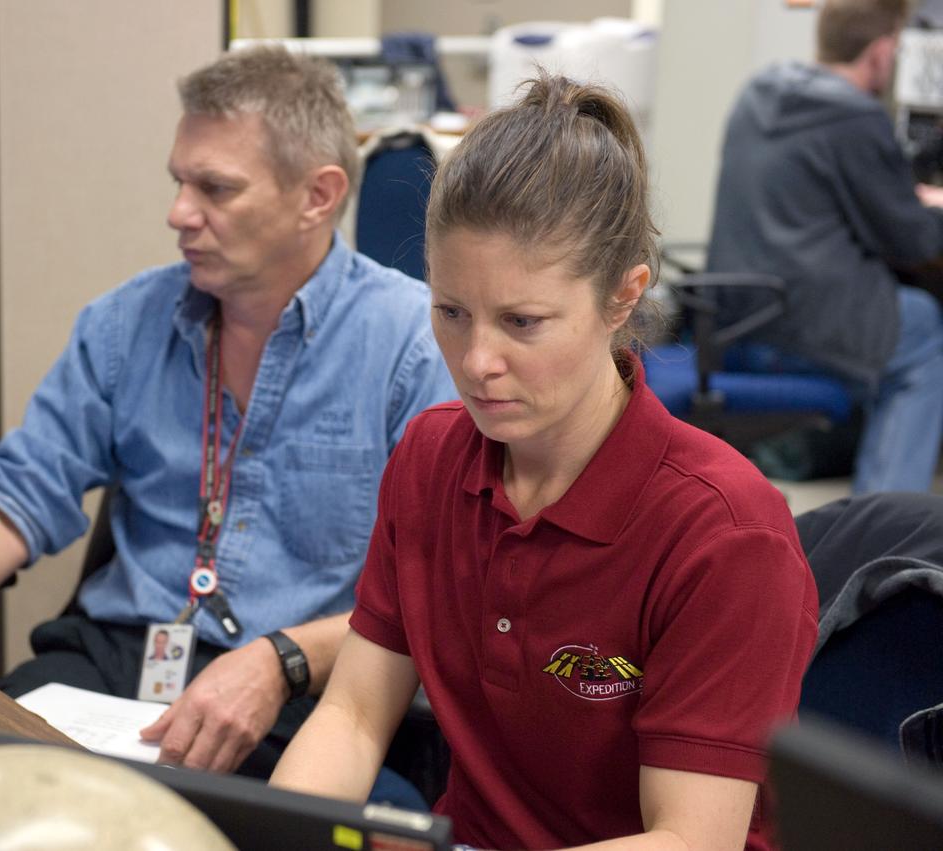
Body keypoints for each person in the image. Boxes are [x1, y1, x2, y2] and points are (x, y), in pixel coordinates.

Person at [0, 46, 456, 779]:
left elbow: (438, 591)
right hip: (119, 659)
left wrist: (282, 659)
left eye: (215, 189)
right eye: (178, 182)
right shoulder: (125, 323)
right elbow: (20, 493)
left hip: (312, 685)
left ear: (318, 197)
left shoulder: (410, 346)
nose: (178, 213)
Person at [269, 74, 819, 850]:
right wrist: (279, 836)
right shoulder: (431, 458)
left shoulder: (723, 532)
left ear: (622, 298)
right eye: (451, 312)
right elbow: (354, 715)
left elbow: (690, 839)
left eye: (522, 321)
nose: (477, 360)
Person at [706, 0, 943, 494]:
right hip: (807, 331)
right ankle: (885, 523)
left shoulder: (758, 91)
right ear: (882, 53)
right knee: (922, 331)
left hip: (733, 322)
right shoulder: (855, 116)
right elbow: (914, 240)